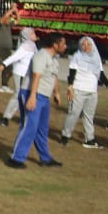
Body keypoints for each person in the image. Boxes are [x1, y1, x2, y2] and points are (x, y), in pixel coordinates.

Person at [6, 34, 68, 169]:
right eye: (63, 44)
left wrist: (56, 92)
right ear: (55, 45)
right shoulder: (41, 56)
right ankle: (16, 158)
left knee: (42, 129)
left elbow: (54, 76)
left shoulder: (54, 59)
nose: (65, 46)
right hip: (32, 94)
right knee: (29, 126)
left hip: (44, 96)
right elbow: (36, 76)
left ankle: (45, 158)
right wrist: (32, 96)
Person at [60, 37, 105, 149]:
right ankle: (65, 136)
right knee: (73, 114)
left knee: (89, 116)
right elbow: (72, 73)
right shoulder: (77, 56)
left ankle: (90, 139)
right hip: (79, 90)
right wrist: (70, 87)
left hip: (92, 91)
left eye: (88, 44)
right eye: (83, 45)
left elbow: (101, 74)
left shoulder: (96, 57)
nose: (86, 47)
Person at [0, 27, 39, 125]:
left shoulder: (33, 46)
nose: (35, 35)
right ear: (27, 35)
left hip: (28, 75)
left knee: (25, 96)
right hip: (21, 73)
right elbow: (14, 57)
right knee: (18, 95)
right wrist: (3, 64)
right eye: (32, 33)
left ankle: (24, 117)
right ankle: (6, 117)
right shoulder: (25, 46)